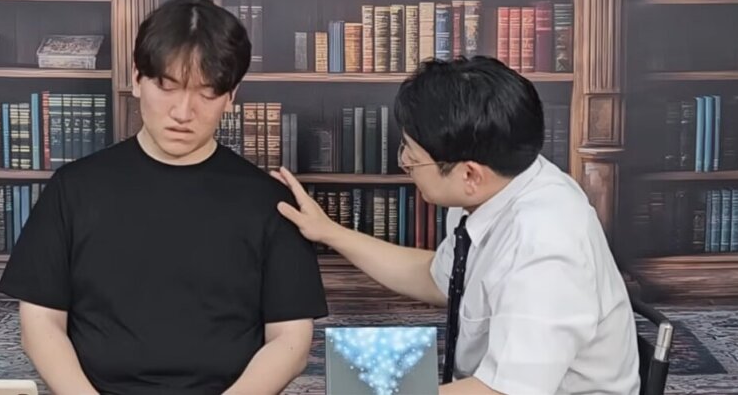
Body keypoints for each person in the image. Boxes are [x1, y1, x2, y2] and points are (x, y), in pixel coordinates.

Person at [0, 0, 329, 395]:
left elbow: (290, 341)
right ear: (137, 78)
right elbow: (40, 324)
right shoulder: (73, 188)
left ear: (231, 96)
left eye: (207, 93)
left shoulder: (270, 202)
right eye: (167, 87)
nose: (183, 112)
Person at [271, 56, 640, 395]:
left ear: (470, 174)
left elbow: (502, 392)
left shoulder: (546, 249)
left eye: (413, 157)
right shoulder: (502, 185)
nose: (405, 163)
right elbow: (436, 277)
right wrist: (329, 231)